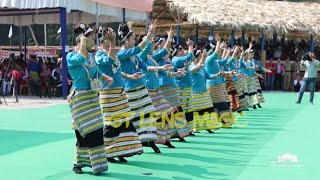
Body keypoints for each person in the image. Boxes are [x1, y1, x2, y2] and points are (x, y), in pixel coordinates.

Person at [117, 22, 171, 153]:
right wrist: (149, 35)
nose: (134, 40)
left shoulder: (134, 56)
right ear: (126, 39)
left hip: (141, 89)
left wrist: (161, 67)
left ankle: (150, 141)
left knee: (150, 113)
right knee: (133, 119)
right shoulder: (121, 53)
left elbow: (146, 67)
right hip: (130, 90)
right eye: (133, 38)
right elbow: (139, 49)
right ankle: (130, 143)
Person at [67, 23, 112, 174]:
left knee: (96, 130)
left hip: (92, 97)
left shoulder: (92, 57)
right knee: (83, 132)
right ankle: (77, 164)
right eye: (92, 38)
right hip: (79, 98)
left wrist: (106, 77)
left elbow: (96, 72)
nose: (95, 41)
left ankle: (95, 164)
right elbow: (80, 58)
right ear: (84, 39)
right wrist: (82, 42)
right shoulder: (71, 56)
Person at [95, 26, 144, 163]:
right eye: (107, 36)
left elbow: (117, 70)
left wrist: (130, 76)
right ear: (102, 39)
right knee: (112, 124)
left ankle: (120, 150)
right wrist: (112, 42)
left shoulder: (111, 51)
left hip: (120, 92)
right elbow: (110, 61)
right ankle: (106, 152)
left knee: (124, 122)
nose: (110, 38)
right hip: (109, 93)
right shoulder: (99, 55)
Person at [189, 48, 219, 133]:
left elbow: (208, 76)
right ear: (196, 57)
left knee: (208, 109)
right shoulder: (191, 65)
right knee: (197, 111)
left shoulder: (202, 67)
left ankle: (208, 126)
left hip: (204, 91)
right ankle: (195, 127)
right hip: (195, 92)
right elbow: (193, 70)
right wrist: (202, 58)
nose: (201, 58)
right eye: (199, 56)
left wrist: (218, 75)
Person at [171, 39, 196, 134]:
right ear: (177, 50)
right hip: (181, 87)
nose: (183, 50)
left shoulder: (178, 61)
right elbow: (190, 56)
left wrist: (186, 67)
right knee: (183, 109)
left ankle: (187, 129)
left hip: (186, 86)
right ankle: (181, 130)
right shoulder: (176, 60)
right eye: (181, 49)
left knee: (189, 109)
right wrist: (190, 45)